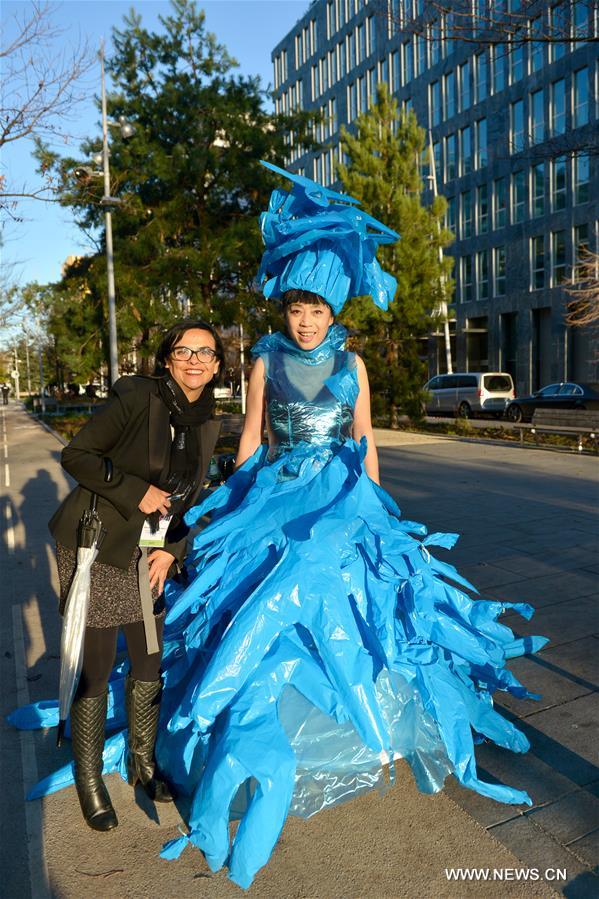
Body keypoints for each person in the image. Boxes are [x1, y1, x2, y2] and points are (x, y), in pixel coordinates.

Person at [11, 165, 546, 888]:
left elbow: (363, 441)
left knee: (347, 606)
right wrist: (230, 504)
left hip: (341, 498)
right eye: (296, 307)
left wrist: (376, 511)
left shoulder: (352, 364)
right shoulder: (258, 363)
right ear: (284, 308)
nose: (305, 320)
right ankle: (139, 761)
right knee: (236, 610)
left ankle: (346, 730)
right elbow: (253, 443)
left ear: (333, 311)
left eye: (317, 310)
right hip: (259, 500)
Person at [47, 320, 223, 831]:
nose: (195, 360)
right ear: (167, 358)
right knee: (98, 664)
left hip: (149, 551)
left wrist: (173, 550)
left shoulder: (206, 419)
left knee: (148, 655)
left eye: (206, 353)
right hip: (98, 542)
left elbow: (187, 499)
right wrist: (132, 490)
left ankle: (144, 764)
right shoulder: (136, 398)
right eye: (185, 350)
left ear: (216, 367)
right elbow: (76, 454)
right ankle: (89, 777)